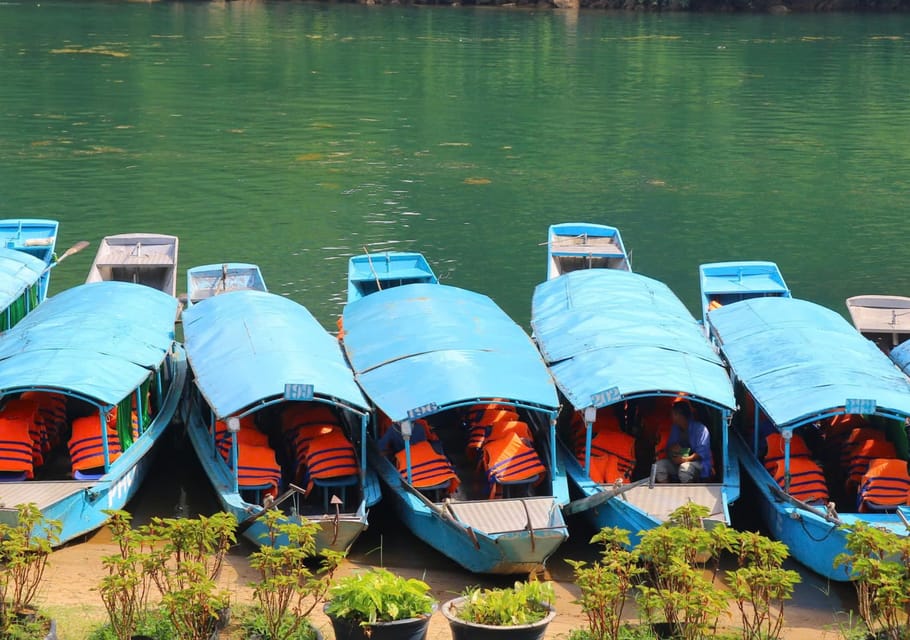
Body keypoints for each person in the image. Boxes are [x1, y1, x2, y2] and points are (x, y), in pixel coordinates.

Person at [655, 401, 712, 483]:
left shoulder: (701, 429)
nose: (670, 416)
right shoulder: (675, 428)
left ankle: (688, 495)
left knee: (684, 469)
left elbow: (700, 454)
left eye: (672, 414)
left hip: (698, 464)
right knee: (659, 466)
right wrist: (672, 451)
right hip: (679, 461)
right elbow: (669, 448)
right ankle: (668, 492)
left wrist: (685, 459)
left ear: (678, 415)